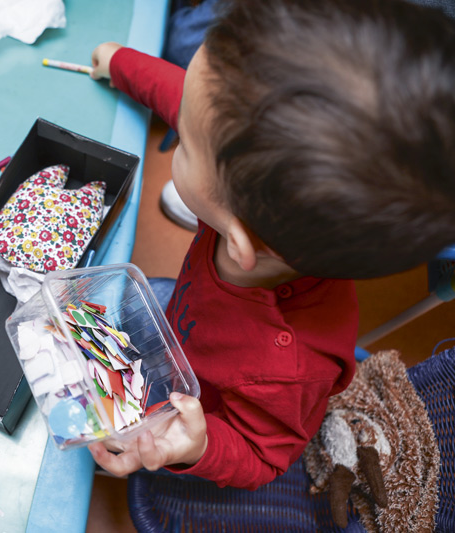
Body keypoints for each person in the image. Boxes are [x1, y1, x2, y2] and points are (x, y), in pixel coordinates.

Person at [87, 0, 455, 489]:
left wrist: (198, 447)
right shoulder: (261, 207)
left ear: (239, 239)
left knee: (113, 437)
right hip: (185, 319)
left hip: (197, 414)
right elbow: (190, 101)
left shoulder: (286, 371)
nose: (182, 129)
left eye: (186, 146)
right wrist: (121, 63)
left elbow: (261, 456)